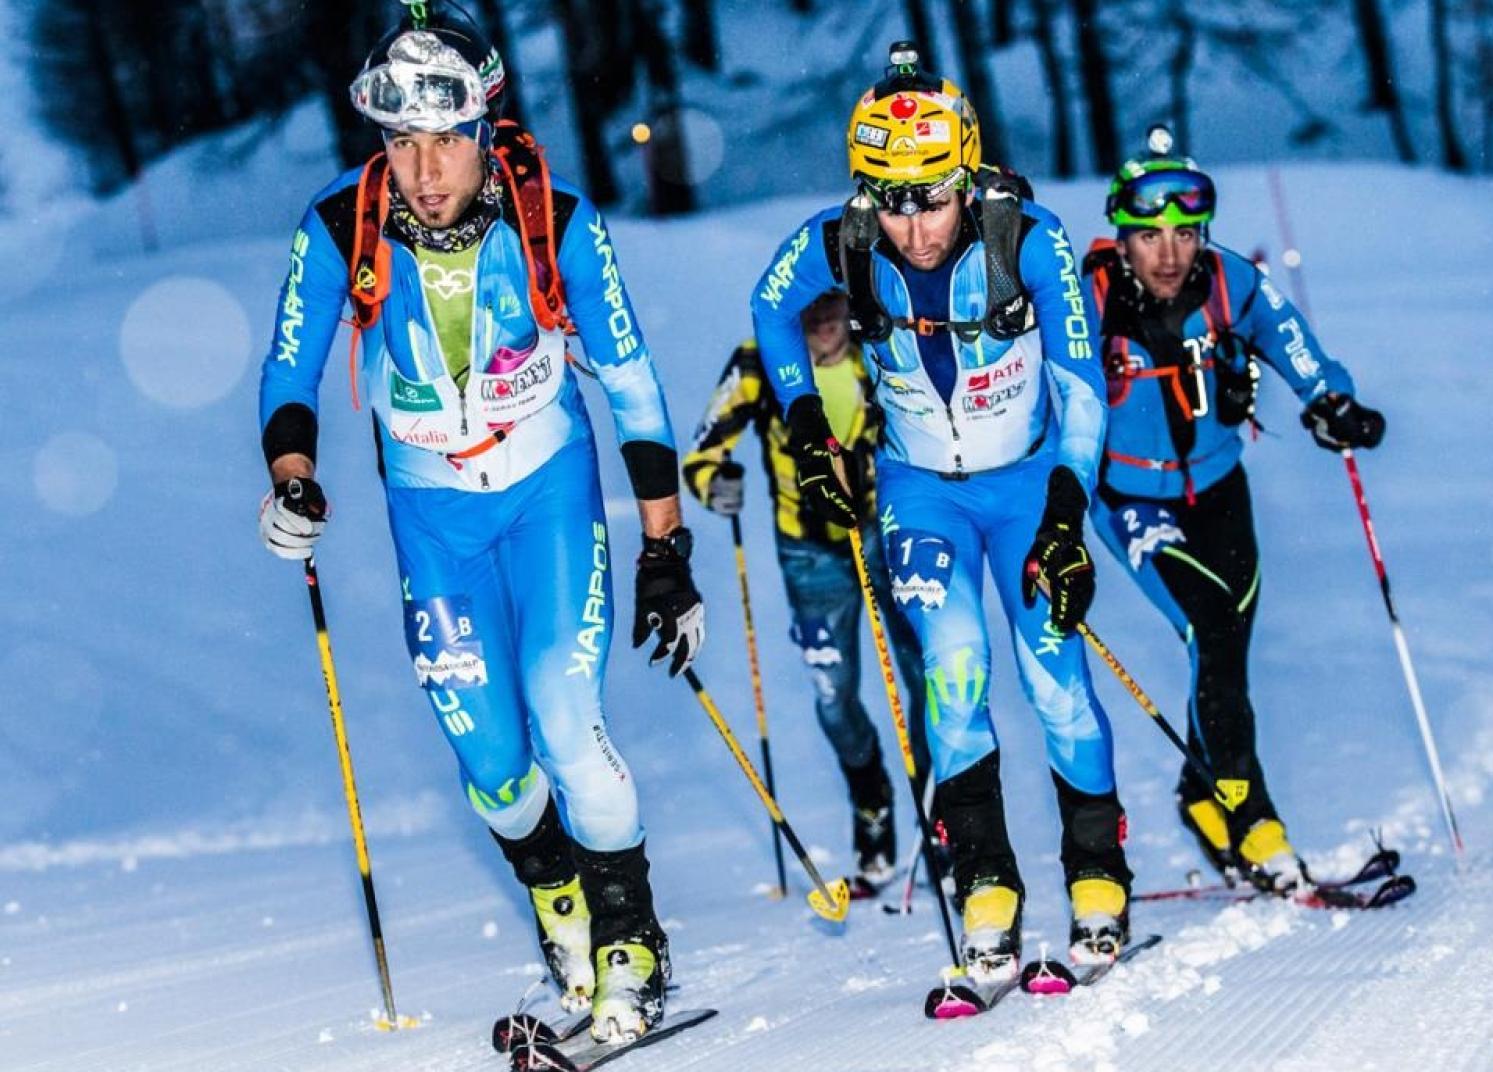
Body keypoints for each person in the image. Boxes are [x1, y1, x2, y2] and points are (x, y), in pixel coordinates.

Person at [255, 9, 703, 1042]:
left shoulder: (555, 218)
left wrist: (664, 548)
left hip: (546, 489)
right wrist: (292, 478)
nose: (422, 167)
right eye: (400, 141)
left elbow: (632, 385)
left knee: (565, 717)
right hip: (432, 518)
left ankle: (631, 941)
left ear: (485, 124)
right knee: (494, 765)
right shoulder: (340, 225)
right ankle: (565, 926)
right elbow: (291, 366)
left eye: (444, 139)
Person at [748, 42, 1134, 977]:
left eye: (931, 197)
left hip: (1029, 488)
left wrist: (1067, 512)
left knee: (1053, 678)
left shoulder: (1026, 241)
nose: (913, 228)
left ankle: (1097, 871)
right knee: (954, 674)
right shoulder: (841, 241)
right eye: (890, 199)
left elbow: (1082, 388)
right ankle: (987, 884)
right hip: (919, 493)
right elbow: (770, 308)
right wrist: (806, 425)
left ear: (967, 177)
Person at [1082, 127, 1386, 892]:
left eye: (1185, 233)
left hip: (1220, 488)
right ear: (1122, 235)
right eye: (1149, 234)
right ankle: (1256, 825)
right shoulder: (1085, 298)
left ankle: (1200, 797)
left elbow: (1290, 338)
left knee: (1224, 649)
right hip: (1131, 497)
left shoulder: (1229, 283)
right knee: (1210, 629)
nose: (1169, 252)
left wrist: (1330, 400)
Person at [681, 291, 929, 894]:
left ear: (850, 305)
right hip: (809, 554)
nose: (822, 322)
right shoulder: (757, 362)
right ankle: (873, 807)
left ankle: (940, 818)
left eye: (832, 306)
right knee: (833, 696)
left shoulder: (880, 351)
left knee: (927, 675)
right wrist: (719, 486)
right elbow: (703, 452)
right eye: (807, 311)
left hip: (886, 534)